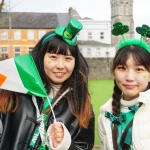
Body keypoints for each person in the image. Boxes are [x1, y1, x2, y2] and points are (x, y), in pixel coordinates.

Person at [0, 18, 95, 150]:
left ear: (75, 62)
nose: (60, 66)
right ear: (41, 57)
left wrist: (65, 145)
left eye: (68, 59)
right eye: (53, 57)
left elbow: (84, 146)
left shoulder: (81, 105)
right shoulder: (15, 91)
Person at [98, 22, 150, 150]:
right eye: (122, 68)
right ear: (114, 72)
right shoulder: (105, 114)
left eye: (139, 69)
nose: (129, 77)